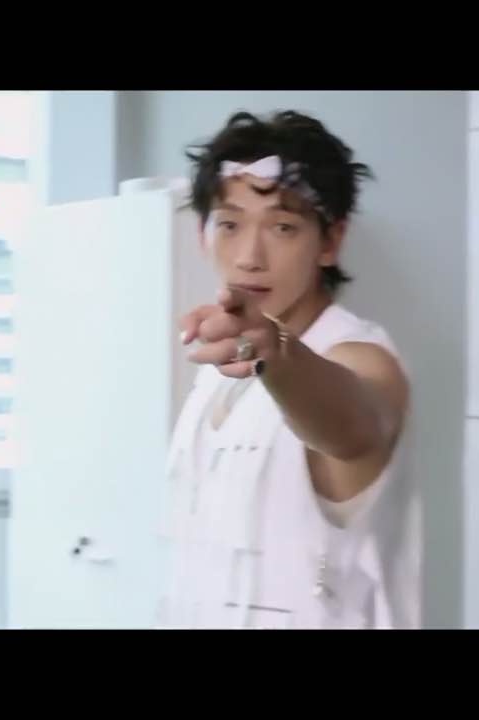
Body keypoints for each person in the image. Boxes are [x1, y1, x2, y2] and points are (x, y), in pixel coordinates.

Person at [158, 110, 421, 629]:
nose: (250, 257)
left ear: (330, 241)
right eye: (230, 224)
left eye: (282, 227)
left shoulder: (361, 355)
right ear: (203, 235)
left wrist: (275, 353)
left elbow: (357, 423)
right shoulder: (215, 373)